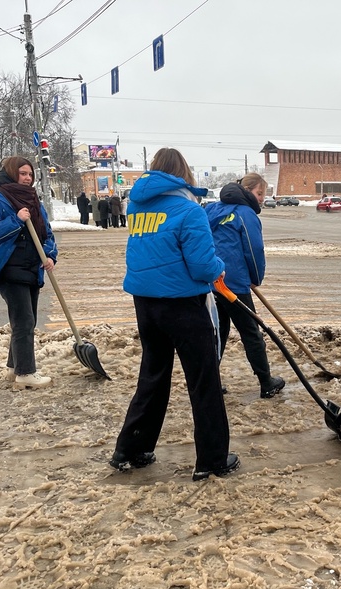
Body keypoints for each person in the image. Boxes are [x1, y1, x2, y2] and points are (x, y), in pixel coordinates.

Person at [111, 147, 239, 481]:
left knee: (153, 375)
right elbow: (201, 266)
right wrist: (219, 268)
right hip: (182, 305)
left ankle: (132, 448)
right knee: (203, 381)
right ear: (183, 173)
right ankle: (212, 459)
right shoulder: (189, 210)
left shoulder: (137, 207)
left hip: (146, 304)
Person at [0, 156, 57, 390]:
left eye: (30, 174)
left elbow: (47, 233)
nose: (28, 178)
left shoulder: (33, 200)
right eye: (23, 173)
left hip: (32, 269)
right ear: (12, 173)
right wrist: (16, 220)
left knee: (25, 320)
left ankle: (14, 368)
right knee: (24, 321)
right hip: (9, 269)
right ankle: (26, 373)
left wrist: (50, 255)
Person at [205, 173, 285, 398]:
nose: (261, 199)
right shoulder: (245, 214)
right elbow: (254, 249)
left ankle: (210, 383)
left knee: (217, 333)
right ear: (248, 190)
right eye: (259, 194)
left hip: (212, 283)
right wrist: (255, 277)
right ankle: (266, 382)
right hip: (234, 286)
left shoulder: (211, 209)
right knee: (251, 333)